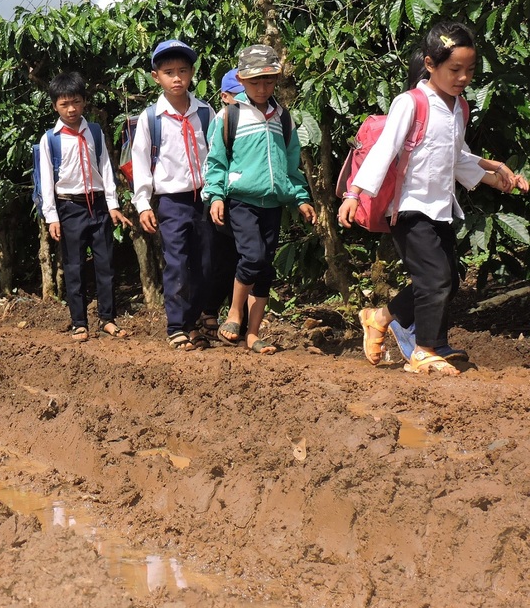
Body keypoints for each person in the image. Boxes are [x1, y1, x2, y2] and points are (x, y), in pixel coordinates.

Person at [339, 21, 528, 375]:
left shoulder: (459, 108)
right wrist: (354, 193)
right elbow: (385, 151)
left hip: (440, 208)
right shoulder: (411, 103)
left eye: (470, 70)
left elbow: (456, 158)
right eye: (455, 69)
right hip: (409, 208)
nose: (463, 78)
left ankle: (388, 322)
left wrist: (496, 178)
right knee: (435, 280)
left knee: (449, 279)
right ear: (430, 64)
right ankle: (423, 350)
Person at [203, 45, 317, 354]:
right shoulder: (229, 116)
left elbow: (290, 165)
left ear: (277, 78)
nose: (262, 88)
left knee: (264, 267)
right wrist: (215, 195)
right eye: (255, 82)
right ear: (241, 79)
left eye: (268, 81)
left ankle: (253, 334)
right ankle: (234, 313)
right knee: (251, 257)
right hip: (241, 199)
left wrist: (300, 198)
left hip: (274, 203)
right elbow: (216, 162)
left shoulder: (283, 117)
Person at [131, 39, 216, 350]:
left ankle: (193, 320)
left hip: (204, 200)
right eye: (169, 72)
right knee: (177, 263)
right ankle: (176, 327)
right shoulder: (151, 118)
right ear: (156, 77)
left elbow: (216, 156)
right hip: (172, 202)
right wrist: (143, 204)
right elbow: (141, 162)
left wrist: (218, 193)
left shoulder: (206, 113)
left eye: (183, 70)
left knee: (205, 266)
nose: (177, 78)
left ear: (192, 72)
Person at [38, 72, 132, 341]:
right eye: (64, 104)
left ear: (84, 102)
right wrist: (52, 217)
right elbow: (47, 181)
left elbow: (105, 168)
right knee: (74, 266)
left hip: (98, 206)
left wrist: (113, 204)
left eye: (76, 102)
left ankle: (107, 319)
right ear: (55, 105)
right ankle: (79, 322)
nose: (71, 109)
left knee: (106, 265)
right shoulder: (50, 139)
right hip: (70, 208)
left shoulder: (95, 132)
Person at [202, 69, 248, 338]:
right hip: (221, 197)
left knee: (239, 257)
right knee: (219, 258)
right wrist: (216, 196)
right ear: (224, 96)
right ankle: (210, 310)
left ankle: (235, 314)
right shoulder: (224, 119)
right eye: (239, 95)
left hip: (242, 199)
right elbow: (216, 162)